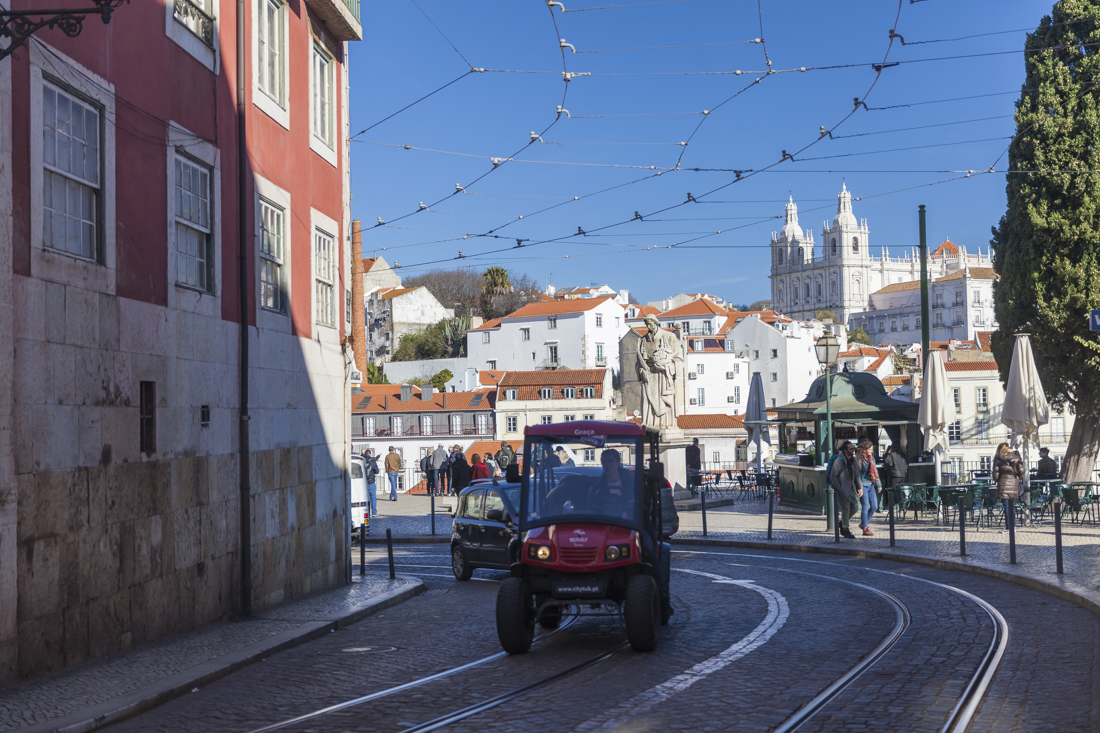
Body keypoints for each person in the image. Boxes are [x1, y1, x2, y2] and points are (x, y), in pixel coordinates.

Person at [827, 441, 859, 539]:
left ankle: (842, 523)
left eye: (854, 449)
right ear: (845, 450)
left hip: (852, 488)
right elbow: (833, 475)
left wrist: (860, 487)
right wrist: (840, 489)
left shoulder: (853, 460)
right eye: (851, 449)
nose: (853, 451)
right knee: (846, 510)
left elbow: (857, 475)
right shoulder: (839, 460)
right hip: (843, 489)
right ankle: (845, 530)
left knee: (856, 507)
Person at [993, 442, 1024, 533]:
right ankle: (1012, 527)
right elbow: (1022, 470)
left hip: (1003, 483)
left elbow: (996, 473)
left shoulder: (998, 457)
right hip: (1013, 483)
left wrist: (996, 479)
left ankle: (1009, 527)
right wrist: (1017, 476)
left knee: (1006, 507)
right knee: (1011, 506)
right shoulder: (1015, 457)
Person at [855, 440, 882, 536]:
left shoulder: (871, 459)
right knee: (865, 506)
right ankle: (865, 528)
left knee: (875, 506)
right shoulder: (859, 459)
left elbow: (875, 471)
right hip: (862, 485)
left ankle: (863, 523)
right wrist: (859, 487)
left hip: (871, 484)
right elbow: (857, 474)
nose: (871, 451)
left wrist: (878, 484)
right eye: (870, 449)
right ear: (864, 450)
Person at [363, 449, 380, 517]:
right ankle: (374, 513)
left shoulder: (362, 460)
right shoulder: (373, 461)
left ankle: (365, 512)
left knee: (364, 498)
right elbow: (377, 471)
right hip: (371, 482)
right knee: (373, 497)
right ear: (370, 454)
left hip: (363, 483)